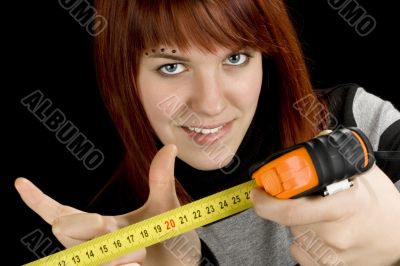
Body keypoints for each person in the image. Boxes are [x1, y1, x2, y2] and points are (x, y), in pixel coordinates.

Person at [14, 0, 400, 265]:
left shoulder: (361, 122)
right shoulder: (104, 229)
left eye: (235, 57)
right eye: (172, 67)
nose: (211, 103)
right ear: (124, 74)